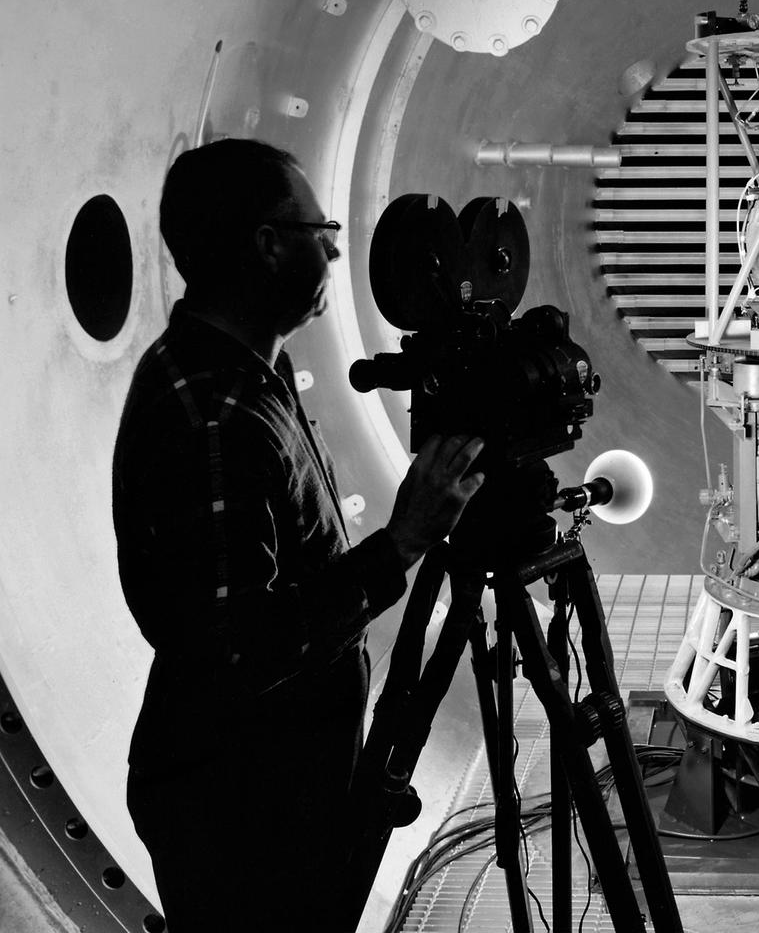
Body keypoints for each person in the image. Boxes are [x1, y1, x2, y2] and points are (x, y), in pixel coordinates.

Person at [112, 138, 484, 930]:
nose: (334, 246)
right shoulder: (216, 416)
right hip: (243, 816)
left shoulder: (243, 376)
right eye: (322, 228)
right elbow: (235, 647)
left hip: (272, 796)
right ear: (267, 244)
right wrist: (402, 544)